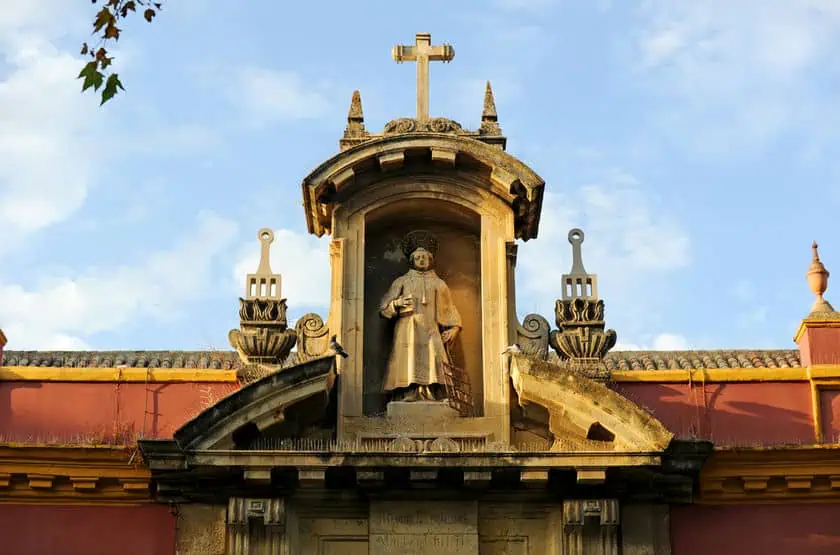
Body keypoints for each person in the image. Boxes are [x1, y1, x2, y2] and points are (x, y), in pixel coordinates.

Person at [379, 231, 462, 402]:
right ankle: (409, 392)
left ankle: (432, 393)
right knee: (408, 359)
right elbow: (384, 308)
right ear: (412, 260)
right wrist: (397, 303)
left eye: (424, 257)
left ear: (430, 259)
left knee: (433, 358)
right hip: (407, 328)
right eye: (418, 257)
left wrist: (454, 328)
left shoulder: (439, 283)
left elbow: (449, 308)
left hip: (430, 328)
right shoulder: (401, 281)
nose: (421, 260)